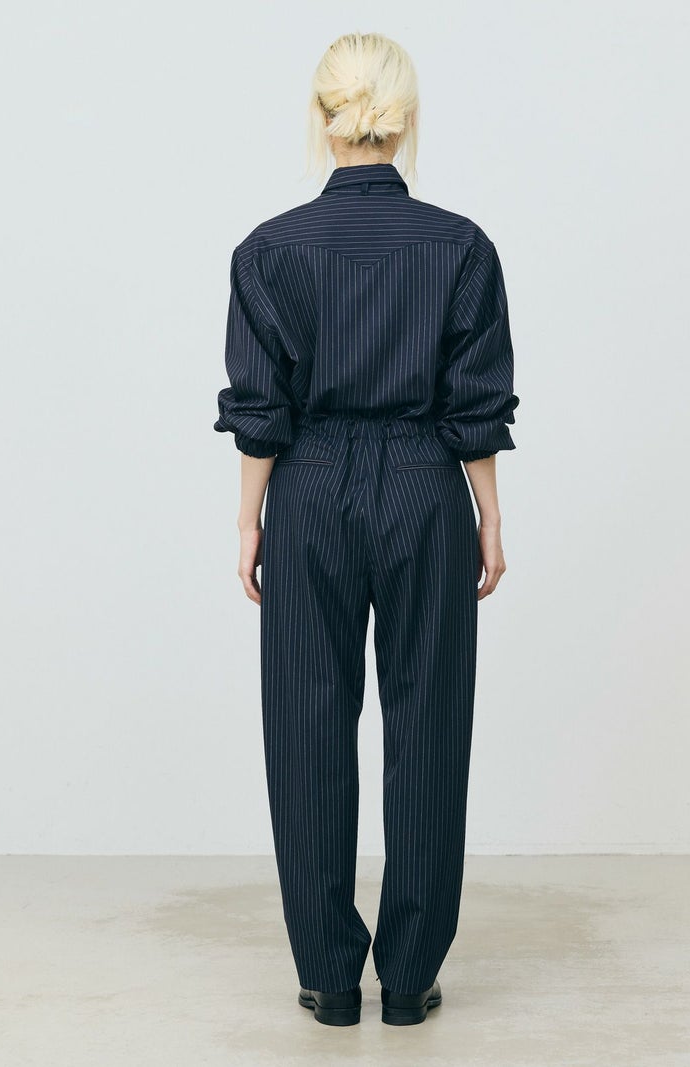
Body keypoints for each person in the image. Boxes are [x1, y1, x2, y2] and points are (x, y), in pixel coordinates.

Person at [214, 31, 520, 1027]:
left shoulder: (267, 251)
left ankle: (329, 975)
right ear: (407, 117)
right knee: (428, 722)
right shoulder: (460, 246)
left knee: (307, 724)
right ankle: (411, 976)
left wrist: (250, 520)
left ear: (321, 117)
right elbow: (475, 401)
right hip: (426, 486)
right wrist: (488, 513)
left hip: (308, 488)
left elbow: (260, 408)